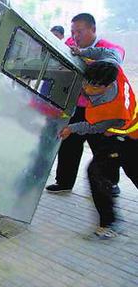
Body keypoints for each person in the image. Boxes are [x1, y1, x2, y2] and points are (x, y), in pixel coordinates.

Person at [46, 13, 125, 195]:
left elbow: (115, 59)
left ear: (93, 30)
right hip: (76, 106)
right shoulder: (69, 46)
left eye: (80, 32)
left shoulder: (109, 48)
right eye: (73, 32)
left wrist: (91, 61)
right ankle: (64, 182)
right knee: (69, 144)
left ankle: (110, 183)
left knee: (102, 147)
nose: (75, 36)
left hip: (101, 110)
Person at [58, 61, 137, 240]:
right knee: (96, 172)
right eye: (86, 82)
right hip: (116, 136)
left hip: (129, 139)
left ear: (108, 86)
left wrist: (71, 128)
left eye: (92, 86)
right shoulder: (111, 72)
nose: (86, 88)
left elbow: (92, 127)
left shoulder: (112, 108)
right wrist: (81, 54)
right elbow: (100, 58)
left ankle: (110, 224)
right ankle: (109, 222)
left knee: (125, 172)